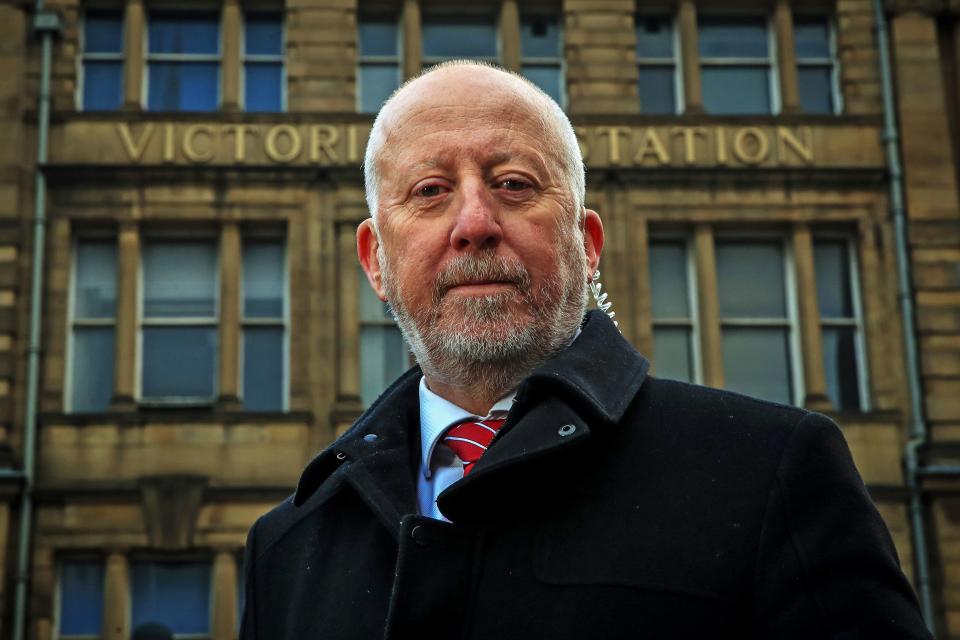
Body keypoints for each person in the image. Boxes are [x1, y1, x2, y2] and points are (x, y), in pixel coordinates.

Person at [240, 61, 931, 639]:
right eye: (430, 192)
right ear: (376, 261)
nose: (475, 223)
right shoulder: (288, 543)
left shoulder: (775, 470)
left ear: (588, 243)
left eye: (514, 185)